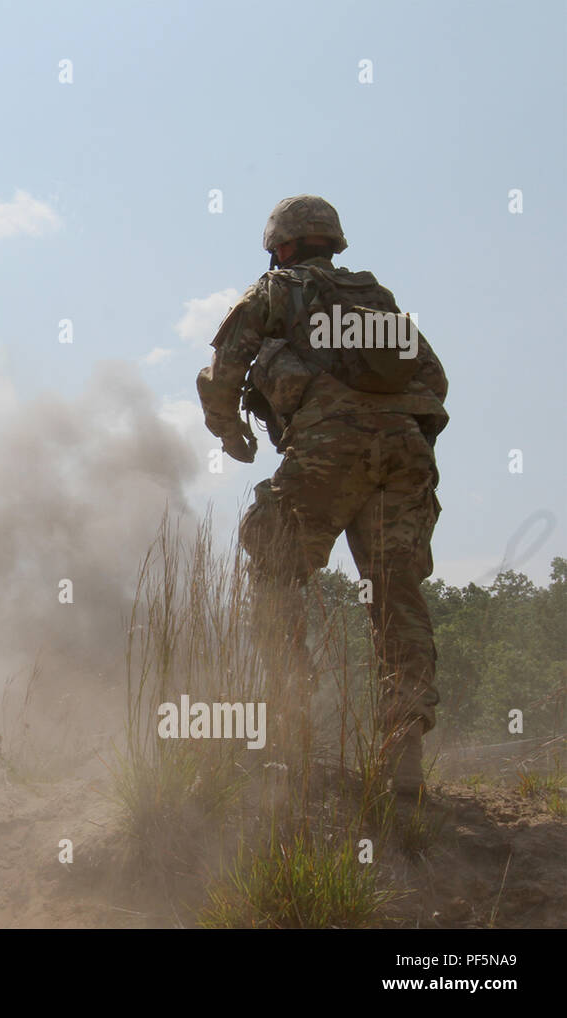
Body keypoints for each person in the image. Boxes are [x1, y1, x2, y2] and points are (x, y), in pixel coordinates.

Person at [196, 195, 449, 804]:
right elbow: (435, 378)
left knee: (277, 571)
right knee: (397, 594)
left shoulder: (277, 290)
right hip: (406, 453)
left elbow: (221, 371)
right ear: (334, 243)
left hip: (327, 448)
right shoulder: (378, 300)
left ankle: (287, 730)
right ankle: (404, 745)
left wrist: (232, 433)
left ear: (279, 245)